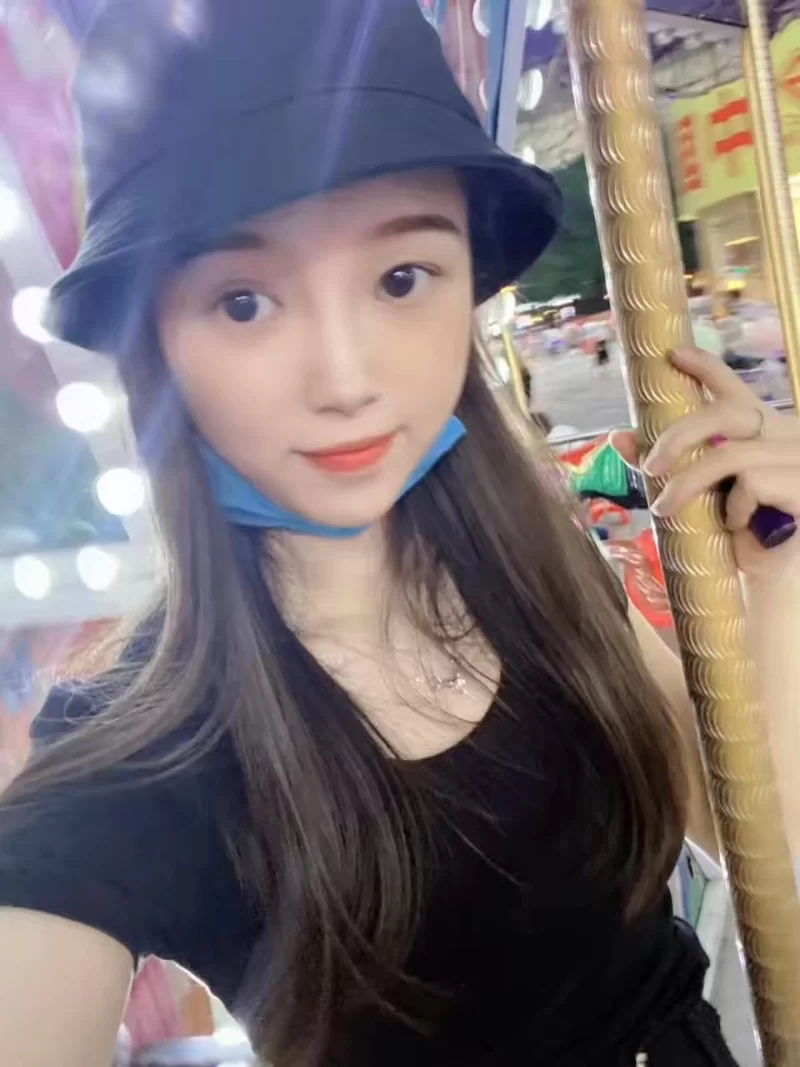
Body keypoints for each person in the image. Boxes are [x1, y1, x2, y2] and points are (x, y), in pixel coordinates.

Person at [2, 3, 800, 1066]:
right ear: (157, 341)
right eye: (242, 301)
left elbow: (739, 825)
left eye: (400, 278)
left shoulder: (539, 565)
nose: (346, 380)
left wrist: (776, 569)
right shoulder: (138, 751)